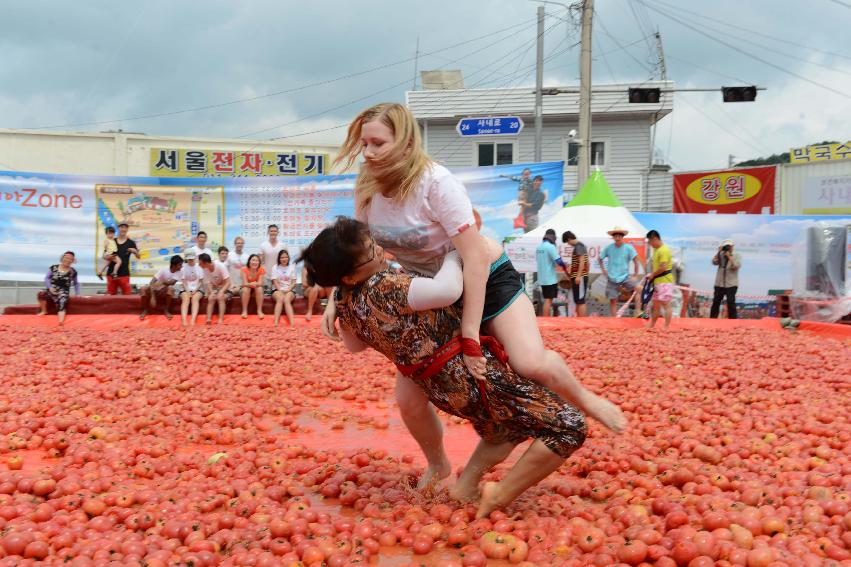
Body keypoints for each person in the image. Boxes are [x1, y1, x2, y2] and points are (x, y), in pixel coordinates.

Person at [323, 102, 624, 488]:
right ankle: (439, 465)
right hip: (434, 293)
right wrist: (337, 298)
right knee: (410, 400)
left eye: (378, 143)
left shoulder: (436, 183)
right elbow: (357, 250)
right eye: (364, 144)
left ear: (407, 141)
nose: (368, 153)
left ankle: (587, 401)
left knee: (529, 362)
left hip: (486, 276)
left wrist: (469, 336)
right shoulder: (367, 187)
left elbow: (474, 259)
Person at [302, 218, 625, 516]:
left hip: (441, 390)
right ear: (350, 274)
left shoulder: (348, 304)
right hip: (472, 376)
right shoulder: (387, 287)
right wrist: (459, 253)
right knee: (569, 425)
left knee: (503, 430)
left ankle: (465, 488)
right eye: (371, 251)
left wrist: (339, 300)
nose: (380, 252)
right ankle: (498, 495)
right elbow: (448, 290)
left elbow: (354, 346)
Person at [599, 226, 642, 317]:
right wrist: (604, 271)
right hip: (612, 277)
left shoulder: (628, 248)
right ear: (613, 237)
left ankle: (638, 311)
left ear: (622, 237)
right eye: (616, 236)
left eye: (619, 236)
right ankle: (614, 319)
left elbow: (636, 260)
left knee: (638, 288)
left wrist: (635, 275)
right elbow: (600, 258)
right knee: (613, 299)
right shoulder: (609, 248)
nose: (618, 238)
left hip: (625, 276)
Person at [37, 251, 79, 326]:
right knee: (41, 293)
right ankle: (44, 311)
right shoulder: (54, 267)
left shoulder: (73, 271)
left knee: (62, 301)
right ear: (62, 258)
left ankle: (61, 321)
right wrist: (50, 287)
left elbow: (76, 283)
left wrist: (77, 293)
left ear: (72, 261)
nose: (68, 260)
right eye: (66, 258)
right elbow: (47, 278)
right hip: (52, 288)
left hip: (63, 291)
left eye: (70, 259)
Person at [645, 230, 675, 330]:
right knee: (656, 305)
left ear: (655, 239)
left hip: (665, 281)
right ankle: (652, 324)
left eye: (650, 242)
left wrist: (652, 274)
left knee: (666, 304)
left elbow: (663, 267)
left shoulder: (664, 250)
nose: (650, 244)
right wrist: (652, 276)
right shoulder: (656, 250)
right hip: (657, 281)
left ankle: (666, 326)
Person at [139, 255, 183, 320]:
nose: (181, 266)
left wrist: (162, 282)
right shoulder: (163, 270)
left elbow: (172, 283)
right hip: (155, 287)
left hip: (163, 289)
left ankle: (166, 310)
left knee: (171, 289)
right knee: (142, 289)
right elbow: (152, 282)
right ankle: (145, 310)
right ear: (174, 265)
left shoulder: (179, 272)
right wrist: (153, 296)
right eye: (180, 265)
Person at [535, 229, 565, 317]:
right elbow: (558, 261)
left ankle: (546, 318)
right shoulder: (550, 247)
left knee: (546, 299)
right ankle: (546, 319)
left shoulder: (539, 247)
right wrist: (565, 265)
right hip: (550, 278)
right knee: (548, 300)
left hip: (542, 278)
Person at [711, 239, 742, 319]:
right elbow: (714, 262)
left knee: (731, 302)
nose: (728, 248)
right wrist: (718, 252)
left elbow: (736, 266)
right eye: (726, 246)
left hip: (731, 284)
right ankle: (712, 320)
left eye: (729, 246)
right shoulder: (720, 254)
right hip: (719, 283)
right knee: (716, 302)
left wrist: (729, 257)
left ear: (732, 247)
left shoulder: (737, 255)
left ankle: (732, 321)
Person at [562, 231, 589, 317]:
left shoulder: (579, 246)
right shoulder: (579, 246)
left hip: (579, 277)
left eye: (567, 242)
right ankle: (579, 319)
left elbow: (582, 262)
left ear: (569, 238)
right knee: (578, 299)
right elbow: (585, 263)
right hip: (578, 276)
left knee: (580, 300)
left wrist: (578, 276)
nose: (568, 244)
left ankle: (582, 320)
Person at [199, 251, 231, 325]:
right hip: (215, 288)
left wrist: (222, 291)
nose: (199, 265)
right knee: (211, 297)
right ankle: (208, 319)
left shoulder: (220, 266)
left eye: (200, 263)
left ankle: (221, 319)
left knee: (220, 297)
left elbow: (228, 282)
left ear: (205, 263)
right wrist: (211, 291)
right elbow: (208, 282)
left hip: (226, 288)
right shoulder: (205, 269)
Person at [109, 223, 139, 295]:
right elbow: (105, 255)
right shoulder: (112, 241)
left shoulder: (131, 242)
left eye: (125, 227)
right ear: (118, 229)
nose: (123, 229)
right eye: (121, 227)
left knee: (127, 296)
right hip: (112, 274)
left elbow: (138, 256)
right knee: (111, 297)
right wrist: (109, 257)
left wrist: (135, 251)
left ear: (127, 229)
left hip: (124, 274)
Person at [176, 250, 204, 327]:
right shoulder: (183, 268)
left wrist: (195, 290)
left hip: (197, 288)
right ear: (186, 259)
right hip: (185, 288)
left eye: (192, 259)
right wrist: (187, 291)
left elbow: (201, 281)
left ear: (195, 258)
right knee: (186, 298)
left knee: (195, 298)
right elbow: (183, 281)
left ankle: (193, 320)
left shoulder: (199, 267)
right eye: (189, 259)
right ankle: (184, 320)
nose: (191, 261)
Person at [272, 249, 297, 329]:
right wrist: (280, 290)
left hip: (290, 290)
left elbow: (294, 282)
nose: (284, 259)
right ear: (279, 258)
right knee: (280, 298)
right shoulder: (275, 267)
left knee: (286, 300)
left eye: (286, 257)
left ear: (288, 258)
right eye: (282, 257)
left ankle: (292, 324)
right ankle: (276, 323)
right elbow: (275, 282)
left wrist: (288, 290)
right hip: (277, 290)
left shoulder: (292, 267)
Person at [259, 225, 285, 291]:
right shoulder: (263, 245)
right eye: (271, 231)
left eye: (275, 231)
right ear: (268, 232)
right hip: (266, 276)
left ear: (278, 232)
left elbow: (286, 261)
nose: (273, 232)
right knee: (266, 297)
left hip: (279, 277)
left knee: (278, 295)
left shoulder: (282, 245)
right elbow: (259, 262)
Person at [240, 254, 266, 319]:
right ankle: (244, 311)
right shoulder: (244, 269)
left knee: (259, 288)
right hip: (246, 288)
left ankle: (259, 310)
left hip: (256, 289)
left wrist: (254, 284)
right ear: (249, 261)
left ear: (259, 262)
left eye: (257, 261)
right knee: (246, 289)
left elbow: (260, 283)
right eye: (253, 260)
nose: (255, 262)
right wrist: (252, 284)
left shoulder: (261, 269)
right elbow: (244, 283)